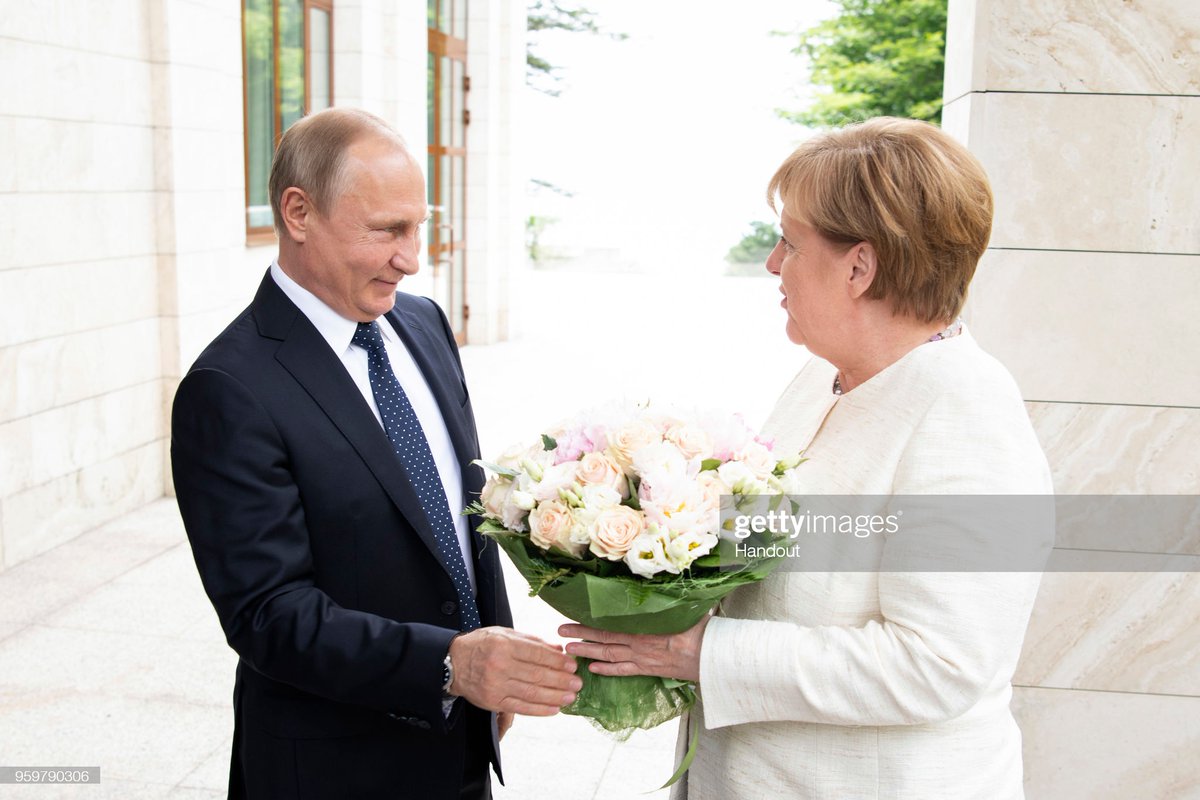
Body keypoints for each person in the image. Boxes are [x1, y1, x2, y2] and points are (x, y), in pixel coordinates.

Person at [561, 117, 1052, 799]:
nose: (772, 263)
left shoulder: (967, 413)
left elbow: (941, 663)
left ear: (860, 266)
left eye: (790, 242)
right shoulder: (824, 377)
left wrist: (704, 653)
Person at [171, 107, 581, 800]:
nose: (411, 258)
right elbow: (268, 614)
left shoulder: (423, 323)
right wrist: (451, 665)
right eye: (387, 230)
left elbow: (460, 519)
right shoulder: (228, 388)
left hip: (460, 742)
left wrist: (493, 655)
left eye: (419, 227)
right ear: (298, 213)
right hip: (333, 770)